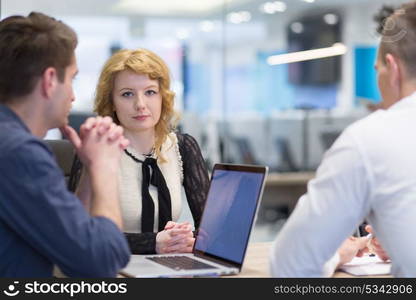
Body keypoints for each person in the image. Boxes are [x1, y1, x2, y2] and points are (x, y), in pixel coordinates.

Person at [270, 1, 416, 277]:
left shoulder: (371, 138)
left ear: (392, 68)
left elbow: (290, 266)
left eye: (377, 71)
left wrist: (335, 256)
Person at [0, 12, 131, 277]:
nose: (72, 95)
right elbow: (103, 262)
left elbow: (74, 241)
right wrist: (106, 167)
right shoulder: (19, 153)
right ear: (50, 81)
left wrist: (89, 169)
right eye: (72, 78)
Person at [69, 48, 210, 254]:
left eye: (150, 92)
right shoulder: (96, 149)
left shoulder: (183, 147)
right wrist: (153, 243)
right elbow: (78, 234)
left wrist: (183, 239)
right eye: (127, 94)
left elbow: (210, 228)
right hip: (112, 269)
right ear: (112, 103)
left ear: (163, 97)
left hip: (170, 267)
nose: (140, 104)